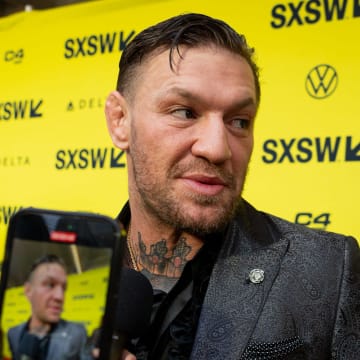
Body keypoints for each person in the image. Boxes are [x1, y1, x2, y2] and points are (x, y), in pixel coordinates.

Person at [104, 13, 360, 360]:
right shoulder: (61, 273)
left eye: (239, 121)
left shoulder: (328, 268)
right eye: (184, 112)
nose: (218, 148)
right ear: (120, 120)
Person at [7, 254, 88, 360]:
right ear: (28, 291)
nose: (60, 296)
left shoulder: (77, 334)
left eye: (64, 288)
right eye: (50, 285)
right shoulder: (13, 334)